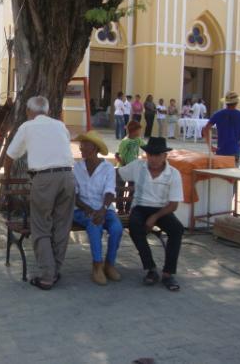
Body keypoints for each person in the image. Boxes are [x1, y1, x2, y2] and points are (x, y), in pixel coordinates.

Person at [4, 96, 75, 290]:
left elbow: (9, 156)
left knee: (41, 227)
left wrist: (7, 180)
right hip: (68, 177)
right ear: (47, 110)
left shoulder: (27, 126)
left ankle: (46, 275)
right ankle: (55, 270)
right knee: (62, 226)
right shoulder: (60, 126)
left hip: (44, 180)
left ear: (28, 111)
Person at [117, 137, 184, 291]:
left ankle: (168, 273)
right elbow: (119, 173)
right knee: (135, 226)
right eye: (150, 154)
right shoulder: (138, 166)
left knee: (177, 230)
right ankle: (151, 269)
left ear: (165, 156)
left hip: (162, 210)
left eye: (157, 155)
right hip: (140, 207)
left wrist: (154, 217)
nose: (153, 158)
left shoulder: (173, 174)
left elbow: (173, 205)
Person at [72, 131, 123, 285]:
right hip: (81, 210)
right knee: (95, 225)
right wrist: (89, 210)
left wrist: (102, 209)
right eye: (81, 145)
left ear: (94, 148)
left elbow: (109, 192)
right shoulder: (77, 167)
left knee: (116, 228)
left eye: (84, 145)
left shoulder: (107, 168)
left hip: (105, 209)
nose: (81, 148)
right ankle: (97, 266)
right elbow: (74, 196)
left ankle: (110, 264)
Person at [202, 91, 240, 166]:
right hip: (235, 149)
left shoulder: (218, 114)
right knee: (233, 173)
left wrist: (210, 145)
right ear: (237, 102)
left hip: (221, 149)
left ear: (226, 102)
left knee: (221, 173)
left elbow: (205, 129)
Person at [115, 120, 144, 213]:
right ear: (133, 130)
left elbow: (145, 146)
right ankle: (120, 209)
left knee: (132, 189)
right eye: (139, 130)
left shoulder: (138, 140)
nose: (140, 132)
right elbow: (117, 155)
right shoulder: (125, 141)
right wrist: (124, 165)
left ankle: (128, 208)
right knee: (121, 190)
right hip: (123, 169)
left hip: (134, 170)